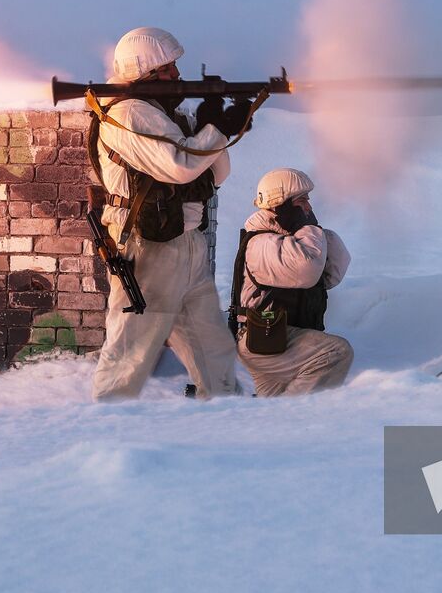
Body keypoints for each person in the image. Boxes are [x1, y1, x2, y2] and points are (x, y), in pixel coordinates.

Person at [89, 26, 251, 400]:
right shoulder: (130, 114)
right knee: (129, 355)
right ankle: (105, 439)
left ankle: (226, 417)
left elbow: (216, 173)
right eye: (167, 69)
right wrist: (215, 130)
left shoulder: (163, 114)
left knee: (213, 350)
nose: (177, 75)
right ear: (144, 72)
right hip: (151, 247)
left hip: (185, 242)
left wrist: (216, 126)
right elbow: (179, 165)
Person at [230, 168, 353, 396]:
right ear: (280, 203)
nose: (309, 207)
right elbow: (307, 269)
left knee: (272, 405)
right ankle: (295, 418)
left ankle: (277, 425)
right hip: (264, 338)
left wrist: (313, 231)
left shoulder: (294, 240)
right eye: (301, 200)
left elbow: (332, 273)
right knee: (336, 352)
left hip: (279, 337)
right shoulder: (262, 243)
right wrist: (308, 228)